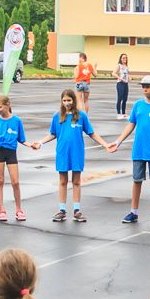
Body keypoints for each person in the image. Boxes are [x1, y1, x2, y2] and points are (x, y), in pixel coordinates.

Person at [112, 76, 150, 226]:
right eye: (143, 86)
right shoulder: (138, 105)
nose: (145, 88)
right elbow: (131, 125)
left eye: (148, 86)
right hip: (138, 149)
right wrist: (118, 141)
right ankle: (134, 212)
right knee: (137, 181)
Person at [44, 90, 105, 223]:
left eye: (69, 100)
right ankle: (62, 210)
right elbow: (52, 134)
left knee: (76, 181)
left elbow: (92, 133)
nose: (67, 103)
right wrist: (40, 142)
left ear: (74, 101)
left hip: (77, 153)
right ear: (61, 101)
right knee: (62, 181)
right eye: (64, 100)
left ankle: (77, 210)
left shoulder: (81, 116)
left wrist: (105, 144)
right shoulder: (57, 116)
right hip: (62, 153)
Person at [0, 94, 37, 223]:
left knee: (15, 181)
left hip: (11, 152)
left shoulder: (16, 121)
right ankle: (1, 210)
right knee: (0, 180)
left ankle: (19, 209)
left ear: (7, 105)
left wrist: (30, 145)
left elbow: (22, 139)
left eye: (0, 107)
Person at [114, 52, 131, 117]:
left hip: (126, 84)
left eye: (126, 58)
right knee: (120, 98)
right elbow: (113, 73)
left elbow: (128, 74)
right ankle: (118, 114)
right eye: (123, 58)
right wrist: (120, 78)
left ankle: (123, 113)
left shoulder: (126, 66)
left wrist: (130, 78)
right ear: (121, 59)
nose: (125, 59)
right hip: (120, 84)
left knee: (125, 99)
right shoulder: (119, 65)